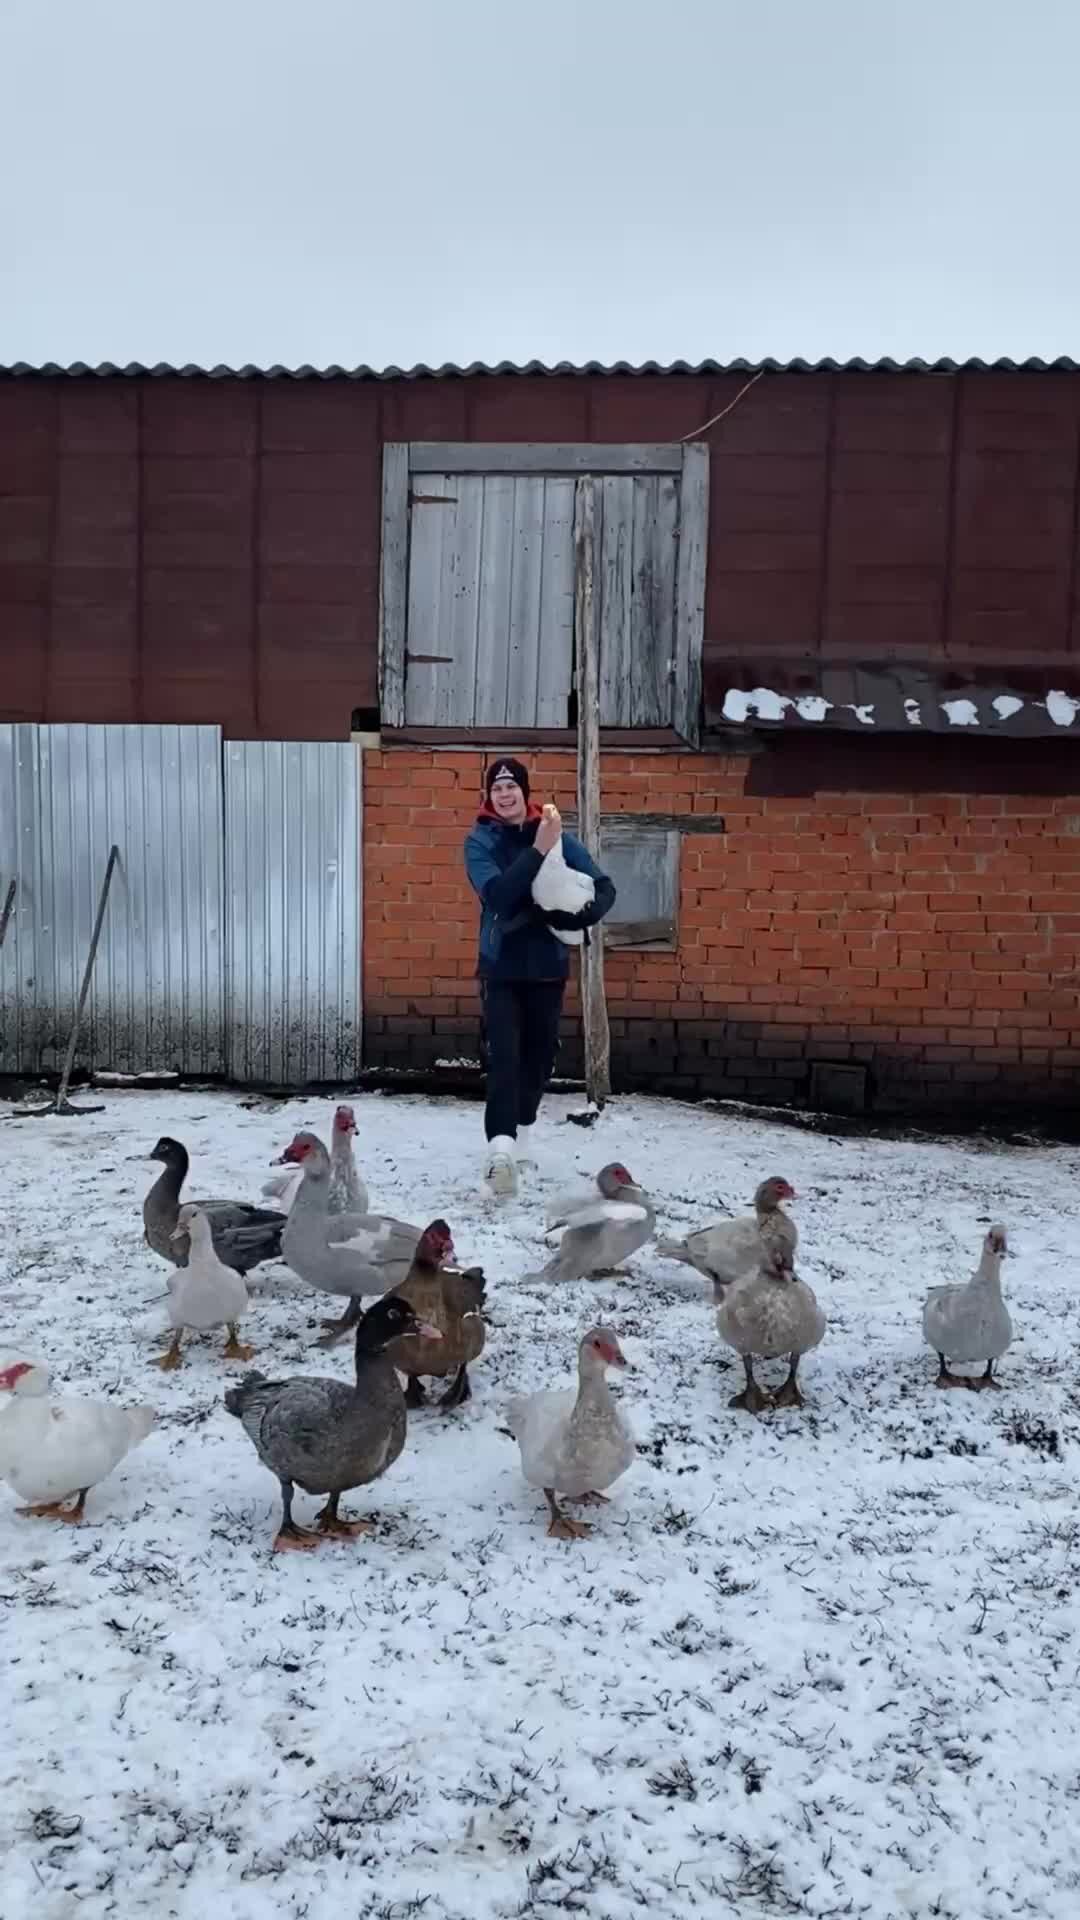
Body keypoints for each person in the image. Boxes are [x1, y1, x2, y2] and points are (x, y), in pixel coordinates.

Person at [464, 758, 616, 1195]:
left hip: (548, 968)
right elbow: (500, 897)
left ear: (525, 792)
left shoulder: (556, 837)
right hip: (502, 967)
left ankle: (522, 1140)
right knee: (503, 1058)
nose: (505, 794)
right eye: (498, 788)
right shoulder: (481, 841)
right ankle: (499, 1153)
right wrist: (537, 851)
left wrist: (583, 916)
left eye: (512, 786)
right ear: (489, 796)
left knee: (538, 1060)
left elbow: (603, 886)